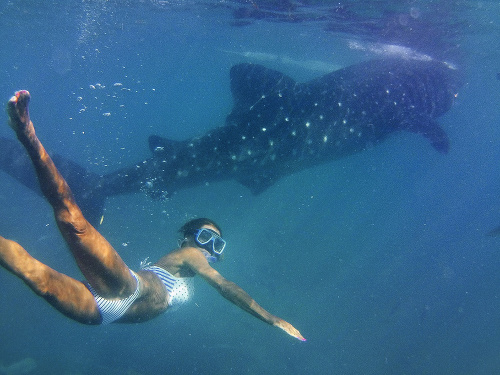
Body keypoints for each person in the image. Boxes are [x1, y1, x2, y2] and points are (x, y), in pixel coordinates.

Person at [0, 90, 305, 341]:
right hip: (129, 290)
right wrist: (270, 317)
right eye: (205, 237)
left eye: (217, 245)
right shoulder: (190, 255)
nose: (208, 247)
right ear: (187, 237)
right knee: (73, 221)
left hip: (100, 311)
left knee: (29, 271)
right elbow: (224, 286)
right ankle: (28, 136)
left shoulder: (188, 265)